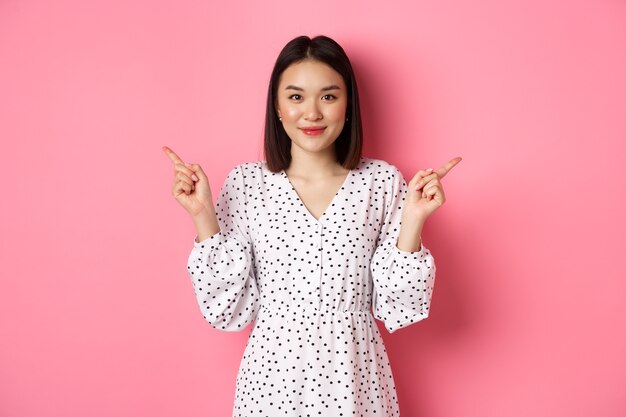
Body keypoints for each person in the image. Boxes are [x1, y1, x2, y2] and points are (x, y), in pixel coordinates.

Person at [163, 35, 461, 417]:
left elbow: (398, 308)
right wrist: (203, 215)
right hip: (271, 385)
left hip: (355, 380)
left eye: (329, 96)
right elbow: (227, 309)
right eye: (296, 96)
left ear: (348, 104)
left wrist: (414, 221)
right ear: (277, 106)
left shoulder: (381, 183)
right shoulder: (247, 184)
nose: (312, 113)